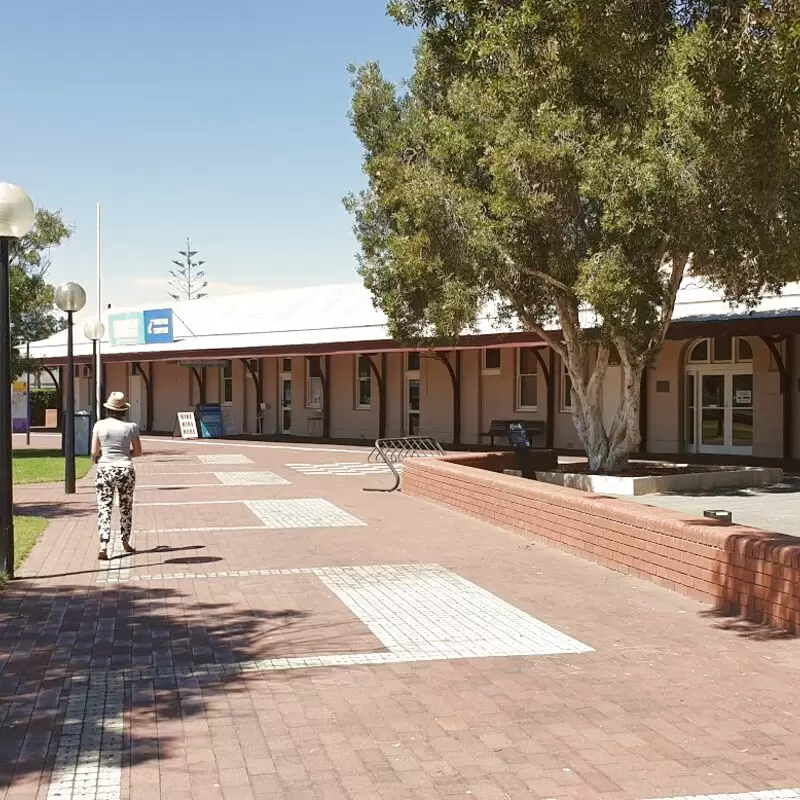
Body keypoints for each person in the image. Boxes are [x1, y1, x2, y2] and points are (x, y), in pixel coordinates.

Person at [91, 391, 142, 560]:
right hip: (125, 468)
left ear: (108, 409)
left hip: (105, 468)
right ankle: (125, 541)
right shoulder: (131, 427)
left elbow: (94, 451)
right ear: (124, 410)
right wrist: (125, 453)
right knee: (125, 506)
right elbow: (138, 452)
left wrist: (98, 458)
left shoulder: (99, 425)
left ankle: (104, 545)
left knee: (104, 507)